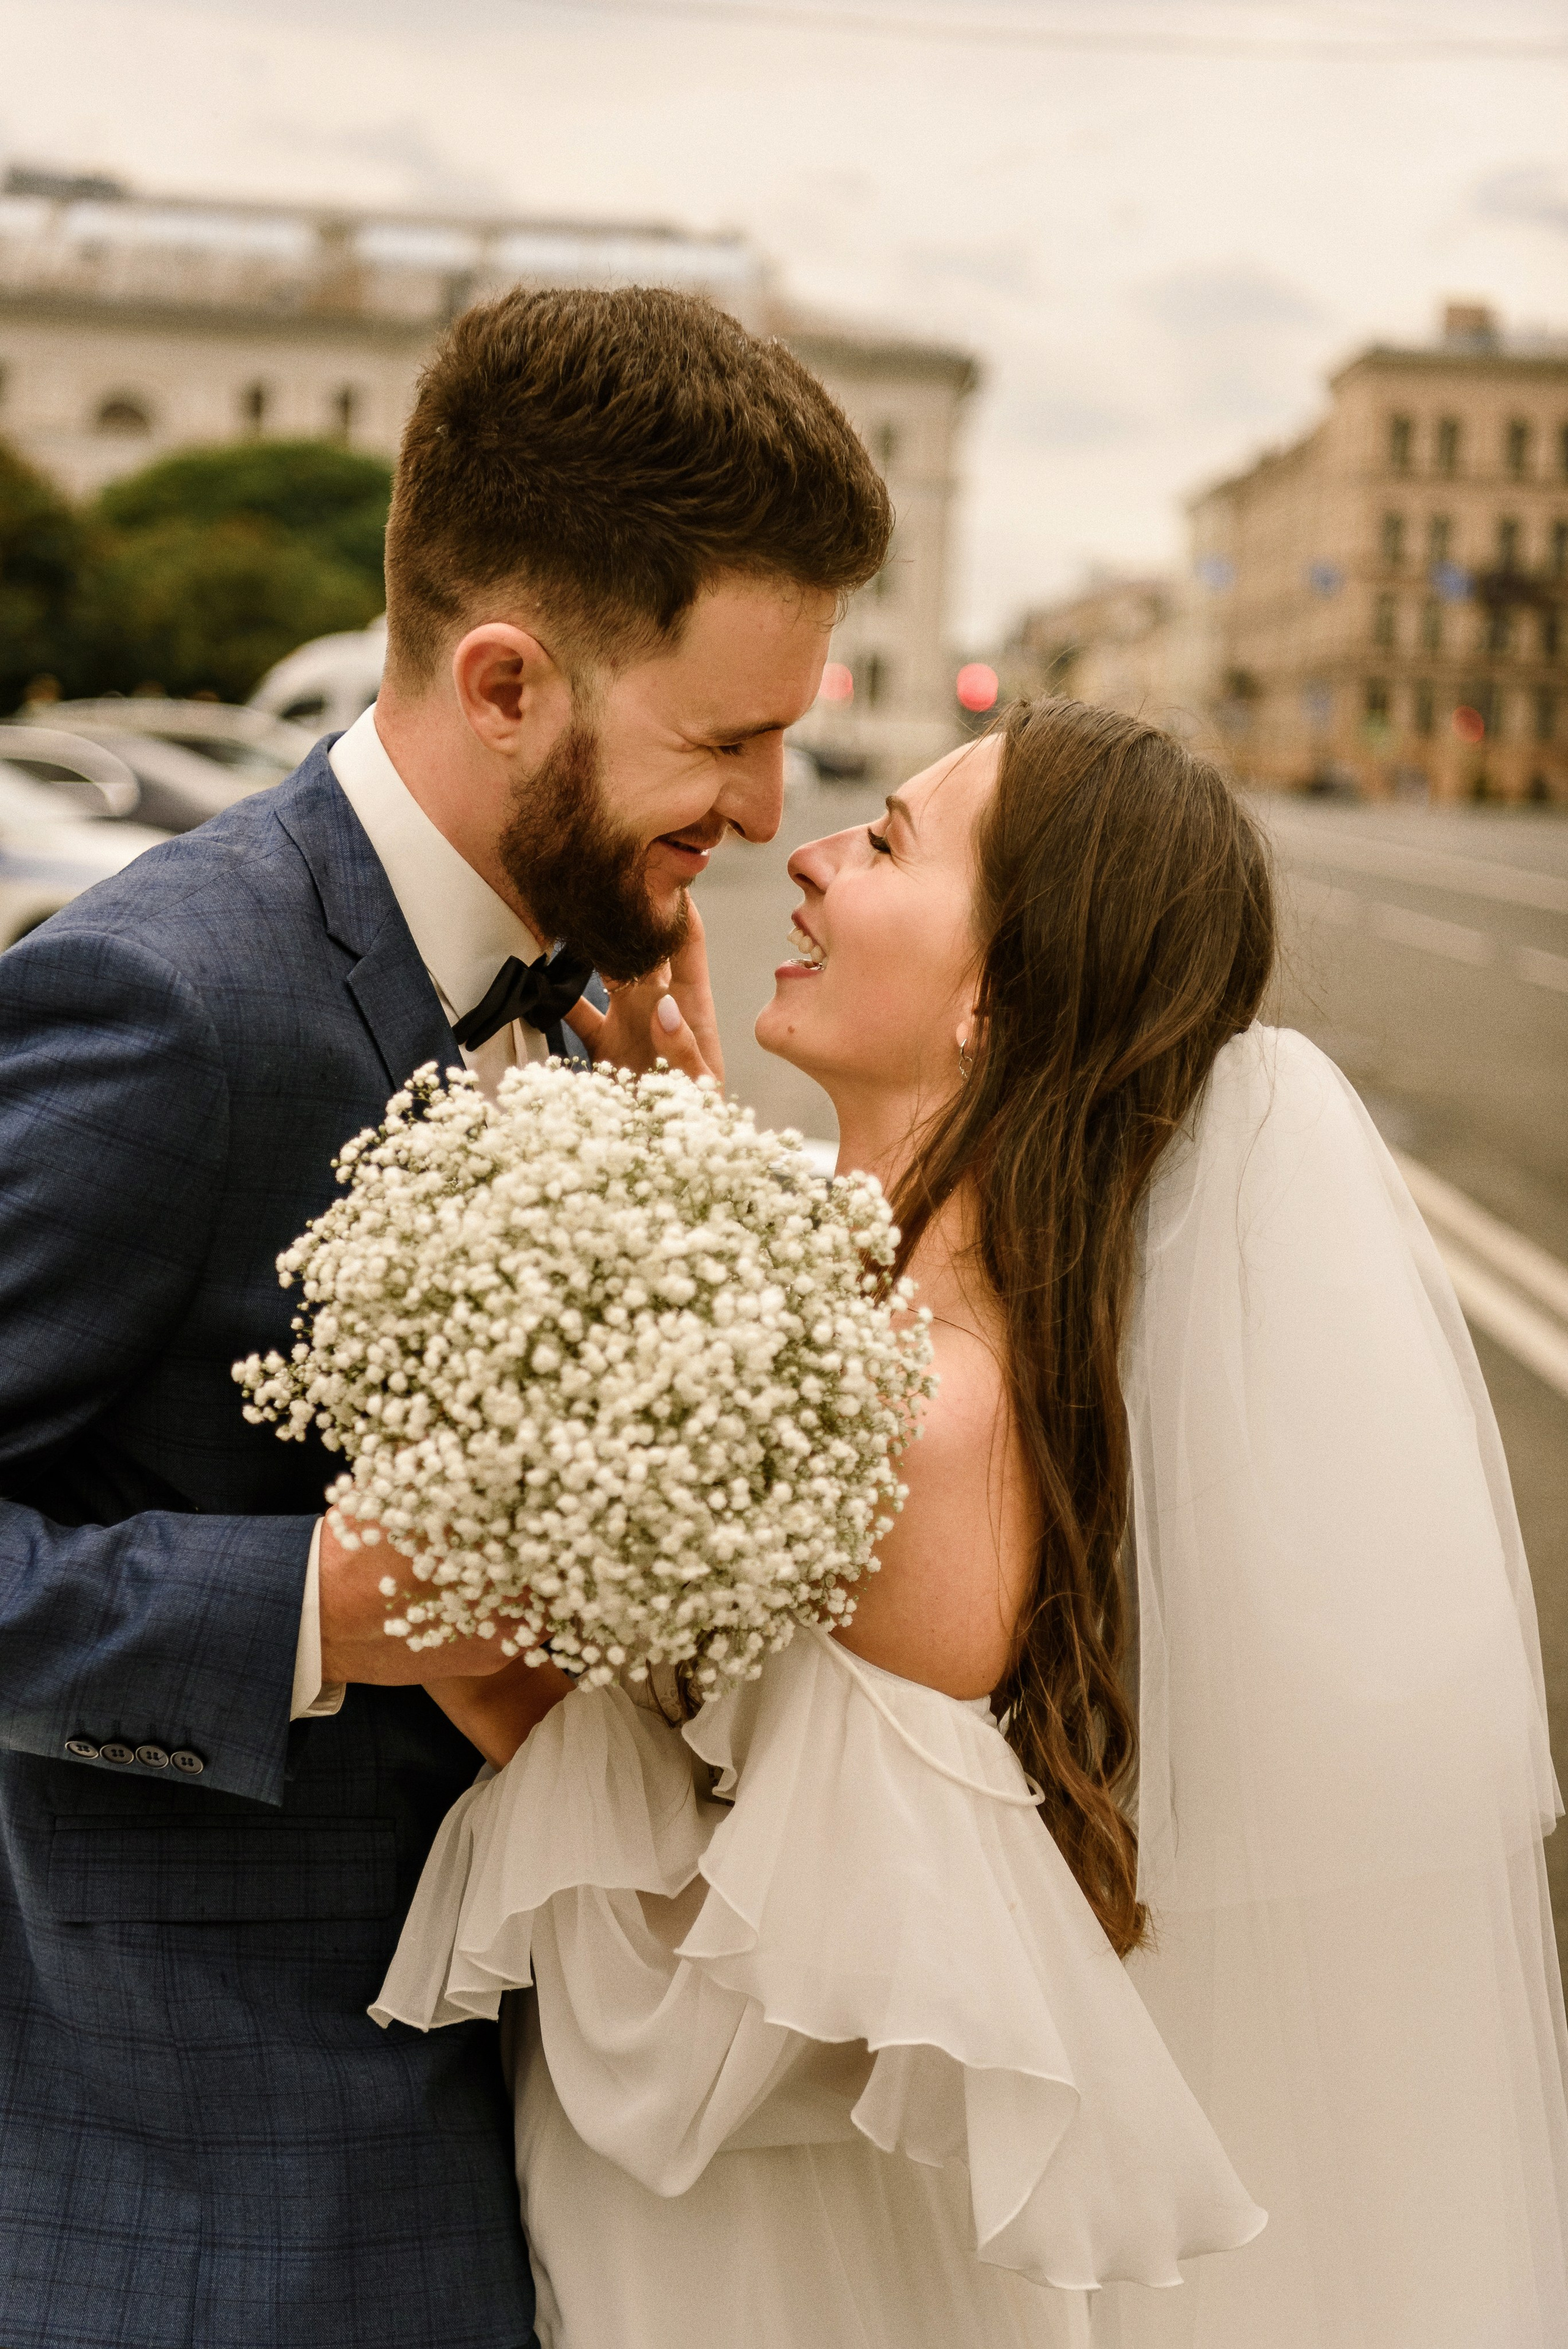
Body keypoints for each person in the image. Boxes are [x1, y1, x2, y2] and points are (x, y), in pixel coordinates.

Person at [380, 695, 1568, 2347]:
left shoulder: (928, 1420)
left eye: (884, 843)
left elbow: (729, 2030)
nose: (806, 848)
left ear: (994, 994)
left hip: (771, 2282)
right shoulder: (877, 1334)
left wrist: (440, 1590)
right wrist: (664, 1177)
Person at [0, 284, 892, 2349]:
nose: (769, 811)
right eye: (728, 740)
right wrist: (318, 1604)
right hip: (224, 2208)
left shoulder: (593, 987)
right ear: (507, 682)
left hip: (557, 2160)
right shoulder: (166, 1003)